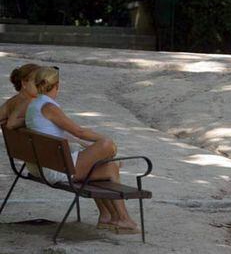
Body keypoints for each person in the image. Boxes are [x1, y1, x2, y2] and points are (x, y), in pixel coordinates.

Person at [25, 66, 138, 233]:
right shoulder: (49, 107)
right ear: (57, 85)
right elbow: (79, 131)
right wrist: (107, 142)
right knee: (106, 146)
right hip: (56, 168)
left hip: (45, 164)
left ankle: (112, 217)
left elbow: (62, 134)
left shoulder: (34, 105)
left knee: (110, 167)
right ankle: (120, 218)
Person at [0, 63, 40, 128]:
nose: (41, 86)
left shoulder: (10, 102)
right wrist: (30, 120)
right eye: (36, 82)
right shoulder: (31, 103)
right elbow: (11, 124)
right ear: (24, 83)